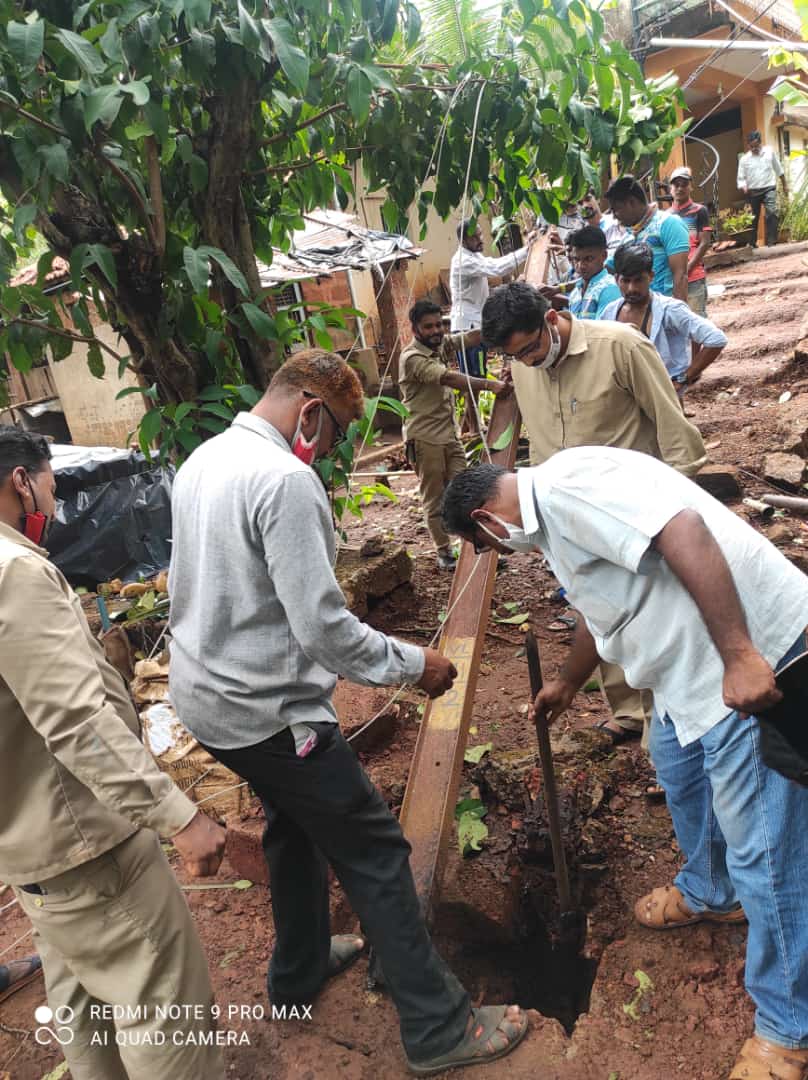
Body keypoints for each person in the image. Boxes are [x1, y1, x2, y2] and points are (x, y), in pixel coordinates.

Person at [168, 350, 528, 1075]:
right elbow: (325, 631)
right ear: (308, 412)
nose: (332, 450)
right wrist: (414, 665)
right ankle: (437, 1028)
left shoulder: (205, 457)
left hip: (205, 701)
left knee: (292, 829)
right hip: (266, 714)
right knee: (376, 853)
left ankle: (298, 971)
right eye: (336, 434)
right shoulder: (285, 481)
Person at [442, 446, 808, 1080]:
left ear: (487, 520)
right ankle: (712, 890)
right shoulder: (550, 521)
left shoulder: (564, 492)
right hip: (682, 674)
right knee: (677, 768)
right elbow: (598, 607)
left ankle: (788, 1028)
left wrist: (742, 655)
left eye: (493, 548)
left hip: (739, 662)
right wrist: (565, 682)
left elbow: (684, 530)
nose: (504, 554)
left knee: (766, 853)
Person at [0, 426, 227, 1080]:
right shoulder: (15, 573)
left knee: (81, 999)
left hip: (30, 848)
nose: (51, 498)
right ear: (22, 481)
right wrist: (179, 816)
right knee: (164, 1005)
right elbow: (76, 723)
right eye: (49, 485)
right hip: (88, 844)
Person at [481, 282, 705, 744]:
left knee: (649, 616)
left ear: (549, 319)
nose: (527, 361)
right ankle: (628, 713)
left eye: (529, 349)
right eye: (515, 357)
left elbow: (673, 427)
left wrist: (684, 509)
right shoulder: (524, 369)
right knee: (599, 613)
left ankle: (668, 729)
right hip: (569, 520)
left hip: (636, 516)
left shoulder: (620, 346)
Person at [400, 299, 511, 571]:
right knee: (435, 498)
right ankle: (444, 552)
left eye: (439, 324)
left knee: (466, 493)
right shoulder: (413, 358)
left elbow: (471, 337)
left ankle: (476, 547)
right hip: (426, 439)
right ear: (415, 329)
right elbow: (449, 378)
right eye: (429, 327)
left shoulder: (439, 345)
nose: (436, 330)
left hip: (449, 437)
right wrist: (490, 385)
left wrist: (505, 322)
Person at [602, 242, 727, 397]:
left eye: (638, 280)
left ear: (651, 277)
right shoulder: (609, 313)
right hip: (626, 403)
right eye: (625, 281)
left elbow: (716, 338)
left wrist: (683, 379)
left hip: (663, 400)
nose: (631, 288)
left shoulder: (670, 310)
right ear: (616, 279)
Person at [450, 219, 532, 434]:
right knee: (473, 378)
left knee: (476, 373)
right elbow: (495, 267)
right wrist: (527, 250)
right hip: (466, 326)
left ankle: (470, 425)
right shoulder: (463, 261)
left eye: (480, 234)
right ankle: (475, 428)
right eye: (475, 236)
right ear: (463, 239)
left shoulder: (473, 257)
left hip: (474, 322)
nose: (481, 239)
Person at [605, 174, 690, 301]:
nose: (614, 216)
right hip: (638, 312)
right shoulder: (629, 235)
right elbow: (609, 268)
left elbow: (680, 276)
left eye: (616, 209)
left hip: (664, 308)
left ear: (631, 202)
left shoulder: (668, 224)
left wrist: (677, 316)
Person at [669, 166, 713, 316]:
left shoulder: (700, 210)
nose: (680, 188)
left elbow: (704, 243)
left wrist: (686, 269)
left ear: (690, 187)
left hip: (693, 275)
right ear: (670, 188)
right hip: (673, 278)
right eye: (676, 185)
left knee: (697, 320)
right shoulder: (666, 216)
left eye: (684, 184)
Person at [737, 130, 788, 248]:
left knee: (772, 212)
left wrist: (784, 184)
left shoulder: (769, 152)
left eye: (756, 146)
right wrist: (744, 186)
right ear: (748, 145)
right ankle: (753, 243)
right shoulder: (744, 159)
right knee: (753, 218)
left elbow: (779, 169)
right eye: (751, 146)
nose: (754, 148)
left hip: (769, 188)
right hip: (753, 191)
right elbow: (740, 178)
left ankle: (772, 242)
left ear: (761, 143)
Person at [567, 226, 621, 320]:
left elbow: (605, 332)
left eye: (588, 259)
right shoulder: (575, 293)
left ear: (604, 256)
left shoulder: (609, 287)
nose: (581, 265)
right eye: (576, 259)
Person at [578, 189, 627, 256]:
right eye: (580, 203)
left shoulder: (616, 221)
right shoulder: (582, 236)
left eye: (588, 199)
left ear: (597, 199)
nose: (585, 205)